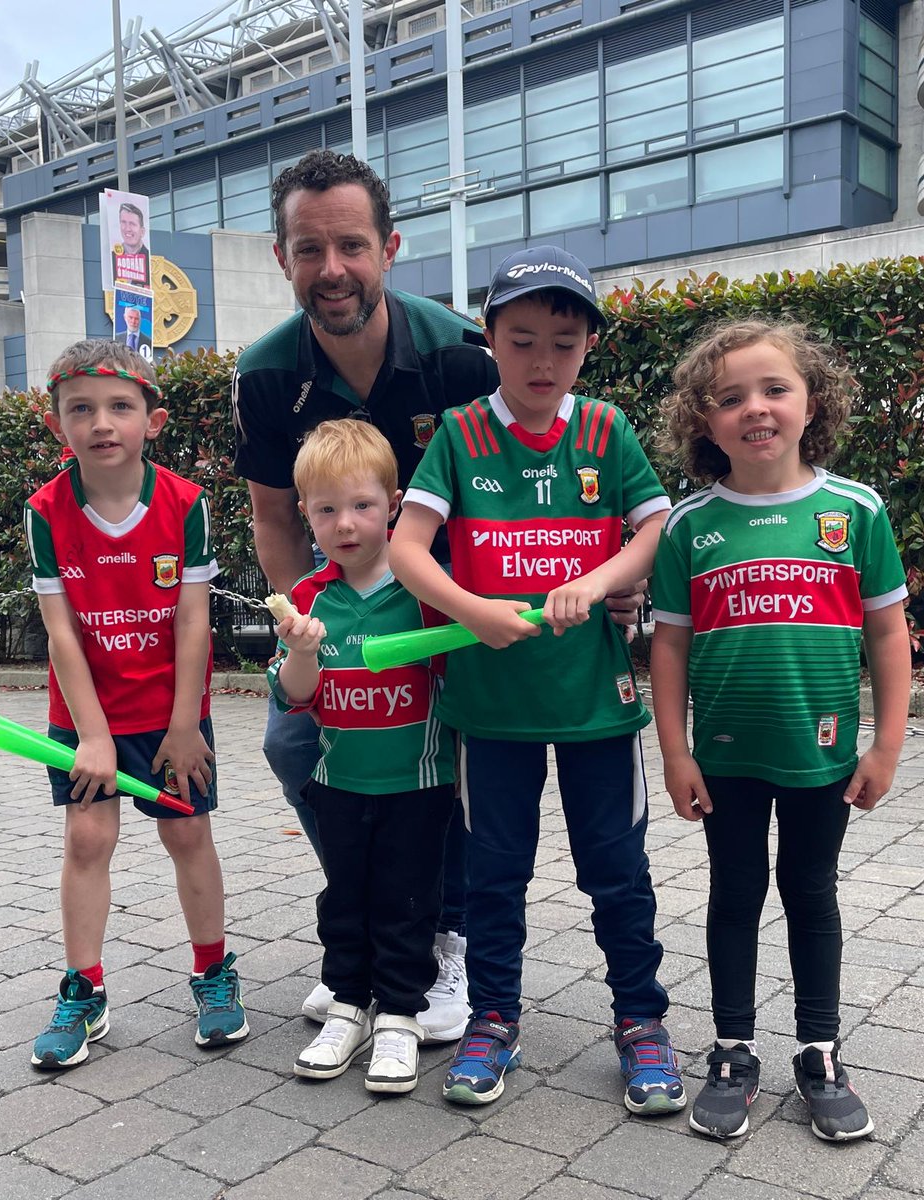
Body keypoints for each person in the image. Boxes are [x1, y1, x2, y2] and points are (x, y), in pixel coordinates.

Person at [389, 246, 685, 1116]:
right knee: (494, 877)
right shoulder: (459, 433)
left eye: (564, 341)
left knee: (617, 873)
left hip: (598, 704)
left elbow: (656, 524)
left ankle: (640, 1021)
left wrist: (597, 582)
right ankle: (493, 1018)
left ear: (588, 345)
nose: (543, 361)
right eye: (522, 340)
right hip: (493, 709)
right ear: (489, 339)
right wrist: (472, 609)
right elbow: (407, 548)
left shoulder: (605, 428)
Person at [231, 149, 499, 1040]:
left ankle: (442, 934)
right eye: (310, 250)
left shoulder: (461, 356)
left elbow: (502, 495)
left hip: (450, 618)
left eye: (351, 245)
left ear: (389, 248)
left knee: (448, 773)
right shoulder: (268, 375)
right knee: (288, 740)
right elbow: (274, 517)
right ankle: (376, 903)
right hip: (341, 618)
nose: (332, 269)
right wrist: (299, 621)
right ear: (283, 259)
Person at [648, 318, 911, 1142]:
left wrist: (888, 744)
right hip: (724, 759)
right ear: (705, 419)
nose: (754, 409)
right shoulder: (691, 527)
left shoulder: (854, 512)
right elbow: (669, 645)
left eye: (774, 389)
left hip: (822, 756)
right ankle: (731, 1050)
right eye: (730, 398)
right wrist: (675, 752)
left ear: (812, 402)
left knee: (810, 895)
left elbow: (888, 634)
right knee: (733, 897)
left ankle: (819, 1051)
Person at [25, 339, 248, 1069]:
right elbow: (61, 633)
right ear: (58, 423)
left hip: (169, 709)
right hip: (87, 713)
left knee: (187, 837)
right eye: (80, 408)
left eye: (120, 406)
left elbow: (192, 620)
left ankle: (214, 973)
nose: (101, 422)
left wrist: (185, 725)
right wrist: (91, 734)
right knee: (87, 841)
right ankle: (84, 990)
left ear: (152, 419)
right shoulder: (45, 512)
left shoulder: (187, 504)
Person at [269, 419, 455, 1093]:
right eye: (326, 510)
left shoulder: (426, 592)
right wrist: (302, 651)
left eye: (362, 506)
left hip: (419, 784)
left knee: (409, 904)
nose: (345, 524)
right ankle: (348, 1007)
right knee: (344, 901)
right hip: (338, 783)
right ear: (307, 517)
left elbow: (457, 680)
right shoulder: (309, 600)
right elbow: (295, 698)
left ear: (395, 504)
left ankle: (401, 1016)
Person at [113, 202, 150, 289]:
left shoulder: (150, 261)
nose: (127, 229)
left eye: (132, 224)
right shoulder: (111, 258)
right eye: (123, 222)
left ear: (142, 231)